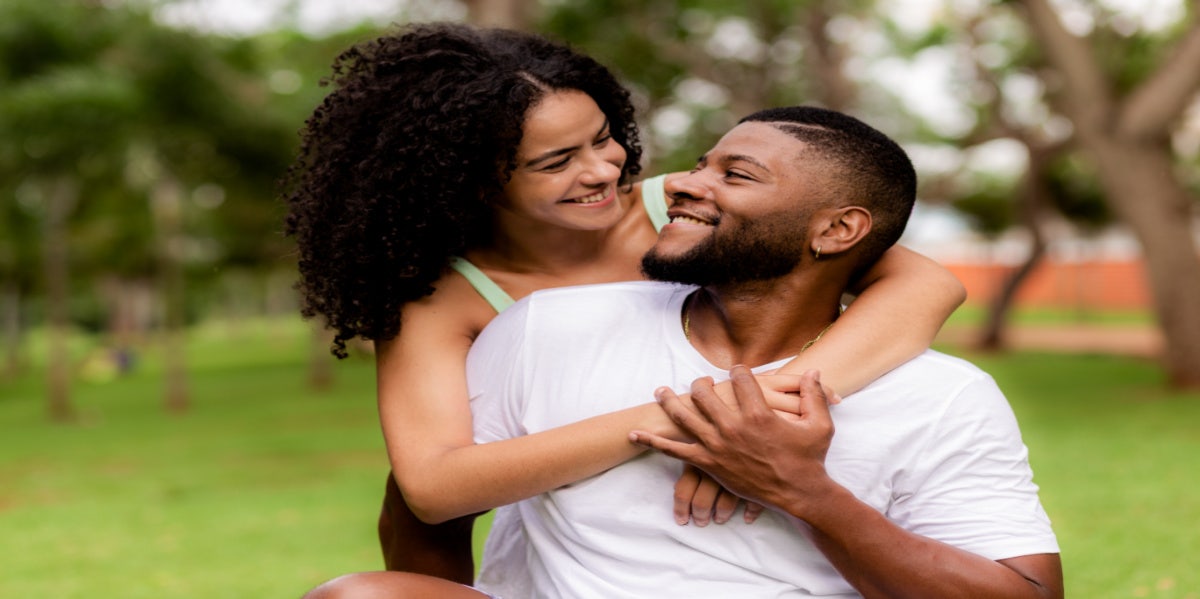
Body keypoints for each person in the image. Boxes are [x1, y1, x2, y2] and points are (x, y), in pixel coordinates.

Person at [285, 23, 965, 590]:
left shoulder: (687, 210)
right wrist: (689, 421)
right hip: (574, 518)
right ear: (468, 182)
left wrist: (747, 416)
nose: (604, 171)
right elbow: (433, 486)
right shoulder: (445, 296)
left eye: (603, 136)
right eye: (556, 162)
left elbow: (926, 286)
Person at [459, 106, 1061, 597]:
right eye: (700, 165)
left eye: (737, 175)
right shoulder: (547, 328)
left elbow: (1026, 592)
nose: (685, 184)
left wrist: (803, 491)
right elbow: (431, 504)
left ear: (836, 231)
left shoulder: (942, 396)